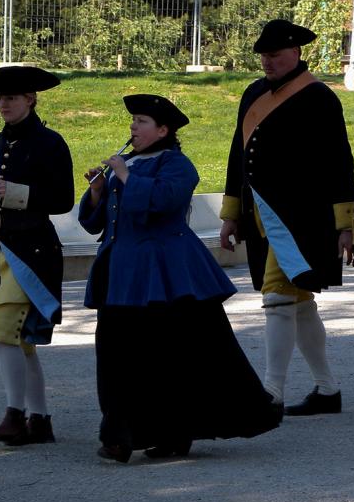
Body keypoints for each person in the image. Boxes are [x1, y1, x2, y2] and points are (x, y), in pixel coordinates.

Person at [80, 94, 281, 463]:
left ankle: (174, 433)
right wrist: (97, 191)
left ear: (162, 130)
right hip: (121, 274)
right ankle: (120, 436)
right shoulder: (125, 164)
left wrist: (124, 176)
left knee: (169, 356)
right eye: (133, 121)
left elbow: (162, 204)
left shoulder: (178, 165)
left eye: (141, 121)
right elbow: (96, 222)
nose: (133, 128)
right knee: (117, 355)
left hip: (166, 272)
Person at [219, 19, 354, 418]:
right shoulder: (253, 93)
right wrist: (231, 214)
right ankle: (328, 390)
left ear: (296, 52)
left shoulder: (319, 97)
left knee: (278, 295)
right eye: (263, 55)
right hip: (260, 213)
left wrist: (345, 223)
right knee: (298, 302)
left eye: (275, 55)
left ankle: (270, 392)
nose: (267, 61)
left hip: (302, 217)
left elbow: (338, 163)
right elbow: (236, 158)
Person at [0, 65, 74, 446]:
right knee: (21, 340)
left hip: (32, 250)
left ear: (30, 99)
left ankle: (15, 415)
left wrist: (16, 192)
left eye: (11, 98)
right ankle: (40, 421)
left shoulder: (51, 143)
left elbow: (64, 200)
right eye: (0, 98)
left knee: (4, 332)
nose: (3, 104)